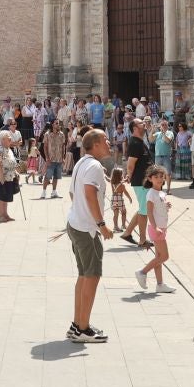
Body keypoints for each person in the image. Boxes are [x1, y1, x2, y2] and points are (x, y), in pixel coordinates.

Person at [64, 128, 115, 343]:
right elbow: (89, 193)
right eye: (105, 140)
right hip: (87, 229)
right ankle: (83, 329)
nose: (109, 143)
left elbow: (72, 193)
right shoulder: (94, 166)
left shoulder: (81, 163)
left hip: (76, 223)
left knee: (84, 275)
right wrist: (101, 224)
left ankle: (78, 324)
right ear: (95, 144)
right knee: (92, 276)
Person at [134, 164, 175, 293]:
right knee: (165, 256)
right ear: (150, 178)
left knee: (159, 257)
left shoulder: (161, 193)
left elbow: (159, 207)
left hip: (162, 228)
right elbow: (149, 212)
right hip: (156, 229)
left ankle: (160, 284)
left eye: (161, 177)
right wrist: (155, 227)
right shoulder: (151, 193)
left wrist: (166, 205)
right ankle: (142, 272)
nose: (159, 179)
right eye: (156, 177)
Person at [0, 131, 20, 222]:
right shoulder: (0, 149)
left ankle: (5, 214)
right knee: (1, 196)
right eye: (8, 137)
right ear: (3, 140)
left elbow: (11, 163)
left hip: (10, 177)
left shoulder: (9, 149)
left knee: (6, 196)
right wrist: (1, 178)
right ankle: (0, 215)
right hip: (2, 177)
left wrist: (16, 172)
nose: (10, 138)